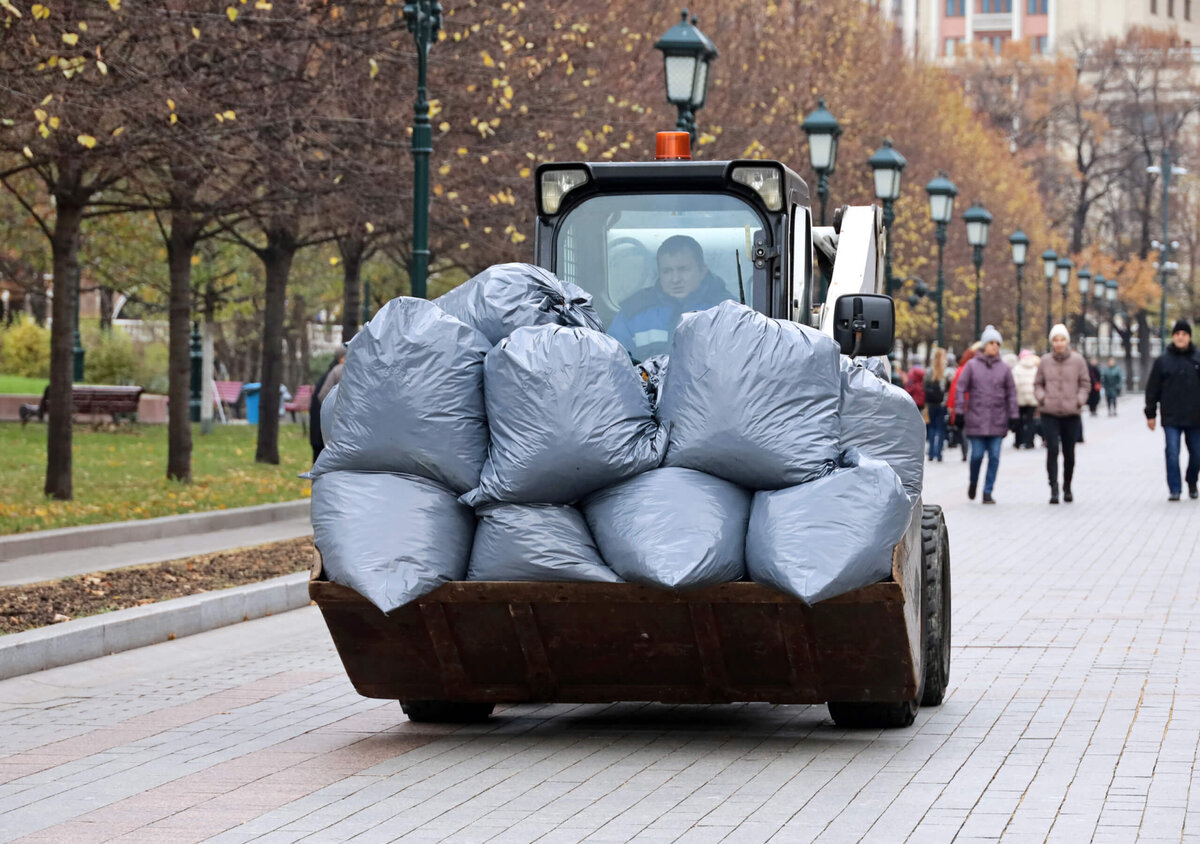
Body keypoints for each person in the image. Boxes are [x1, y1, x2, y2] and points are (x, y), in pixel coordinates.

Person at [607, 235, 729, 360]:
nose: (675, 279)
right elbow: (614, 363)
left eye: (683, 269)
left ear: (703, 271)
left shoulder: (726, 312)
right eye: (667, 271)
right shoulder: (633, 313)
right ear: (659, 274)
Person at [952, 325, 1018, 504]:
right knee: (977, 456)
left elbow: (1011, 393)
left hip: (998, 420)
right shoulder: (972, 366)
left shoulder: (1004, 369)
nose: (994, 346)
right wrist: (959, 411)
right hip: (976, 419)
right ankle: (973, 482)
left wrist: (1014, 416)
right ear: (984, 345)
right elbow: (960, 388)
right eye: (991, 342)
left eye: (997, 343)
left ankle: (988, 491)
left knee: (995, 457)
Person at [1144, 319, 1200, 501]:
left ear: (1189, 337)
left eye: (1184, 334)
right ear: (1173, 336)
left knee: (1197, 454)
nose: (1180, 337)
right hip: (1171, 417)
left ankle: (1191, 481)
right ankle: (1174, 488)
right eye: (1177, 334)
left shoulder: (1197, 358)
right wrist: (1150, 414)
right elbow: (1153, 389)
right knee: (1172, 453)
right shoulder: (1163, 361)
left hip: (1195, 417)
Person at [1035, 324, 1090, 504]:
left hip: (1070, 412)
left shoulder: (1078, 360)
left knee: (1069, 451)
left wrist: (1079, 400)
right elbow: (1038, 383)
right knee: (1052, 449)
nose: (1059, 343)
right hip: (1049, 411)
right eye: (1056, 340)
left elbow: (1085, 383)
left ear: (1067, 341)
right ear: (1052, 342)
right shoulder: (1045, 361)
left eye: (1062, 339)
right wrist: (1042, 398)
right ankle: (1053, 488)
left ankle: (1067, 485)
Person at [311, 345, 347, 461]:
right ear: (342, 358)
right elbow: (323, 396)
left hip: (319, 427)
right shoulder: (339, 371)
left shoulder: (330, 371)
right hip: (325, 430)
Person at [946, 347, 976, 462]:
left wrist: (951, 405)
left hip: (962, 404)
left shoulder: (960, 370)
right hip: (974, 405)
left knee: (964, 430)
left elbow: (954, 390)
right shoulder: (977, 370)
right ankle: (973, 450)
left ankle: (965, 451)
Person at [924, 348, 950, 462]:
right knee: (941, 429)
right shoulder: (947, 372)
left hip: (931, 404)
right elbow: (949, 389)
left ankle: (931, 453)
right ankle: (939, 454)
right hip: (942, 404)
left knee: (932, 428)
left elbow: (924, 386)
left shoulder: (929, 371)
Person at [1012, 349, 1040, 449]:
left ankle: (1018, 441)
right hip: (1032, 399)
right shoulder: (1035, 368)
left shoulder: (1017, 368)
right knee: (1031, 420)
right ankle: (1030, 442)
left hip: (1020, 398)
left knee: (1019, 421)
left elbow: (1014, 385)